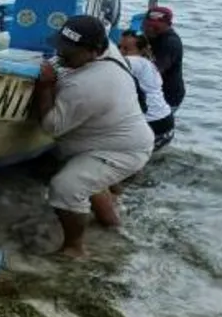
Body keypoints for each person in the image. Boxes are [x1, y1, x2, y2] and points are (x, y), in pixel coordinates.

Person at [31, 15, 154, 257]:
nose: (60, 56)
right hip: (117, 140)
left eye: (69, 52)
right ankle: (112, 226)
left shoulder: (88, 86)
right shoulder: (106, 48)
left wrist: (44, 87)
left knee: (67, 187)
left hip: (122, 151)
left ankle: (74, 248)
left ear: (94, 51)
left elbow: (51, 127)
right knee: (92, 180)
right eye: (60, 47)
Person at [118, 31, 175, 150]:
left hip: (152, 123)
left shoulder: (136, 62)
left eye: (126, 49)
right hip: (165, 120)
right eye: (119, 47)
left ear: (141, 50)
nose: (121, 52)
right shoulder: (149, 64)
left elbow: (113, 64)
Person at [141, 5, 185, 110]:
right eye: (148, 25)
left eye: (156, 27)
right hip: (151, 94)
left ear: (169, 25)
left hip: (167, 97)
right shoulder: (148, 37)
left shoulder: (170, 43)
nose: (150, 29)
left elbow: (155, 71)